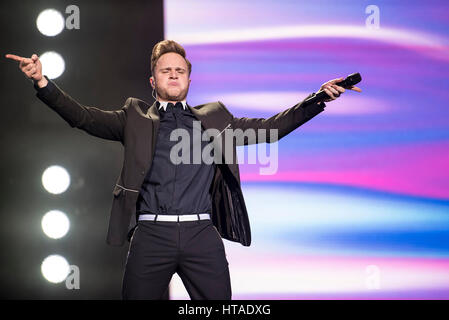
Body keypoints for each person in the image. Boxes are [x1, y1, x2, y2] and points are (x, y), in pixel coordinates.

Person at [5, 40, 362, 300]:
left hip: (200, 235)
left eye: (179, 70)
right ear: (153, 81)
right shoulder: (134, 118)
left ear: (189, 79)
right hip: (150, 236)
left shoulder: (216, 120)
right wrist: (42, 83)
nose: (173, 75)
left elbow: (272, 129)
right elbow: (82, 117)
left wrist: (317, 100)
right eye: (166, 70)